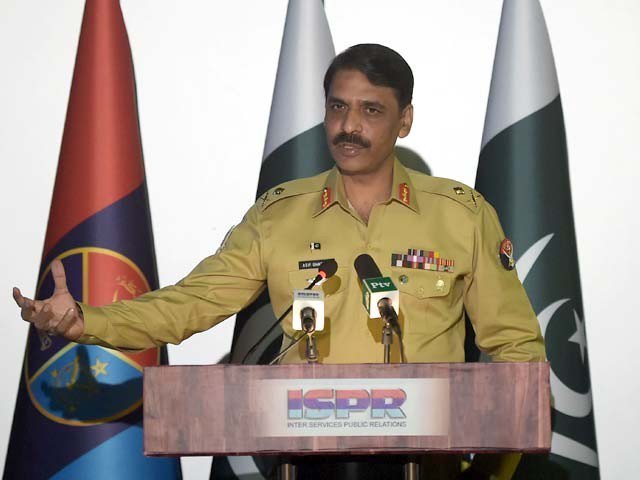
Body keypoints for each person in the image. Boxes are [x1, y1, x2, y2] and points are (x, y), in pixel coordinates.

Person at [14, 44, 545, 479]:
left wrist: (492, 472)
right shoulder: (279, 215)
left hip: (430, 467)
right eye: (337, 107)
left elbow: (517, 349)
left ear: (404, 120)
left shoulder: (461, 215)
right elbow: (191, 304)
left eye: (371, 110)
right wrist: (86, 319)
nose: (348, 126)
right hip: (303, 465)